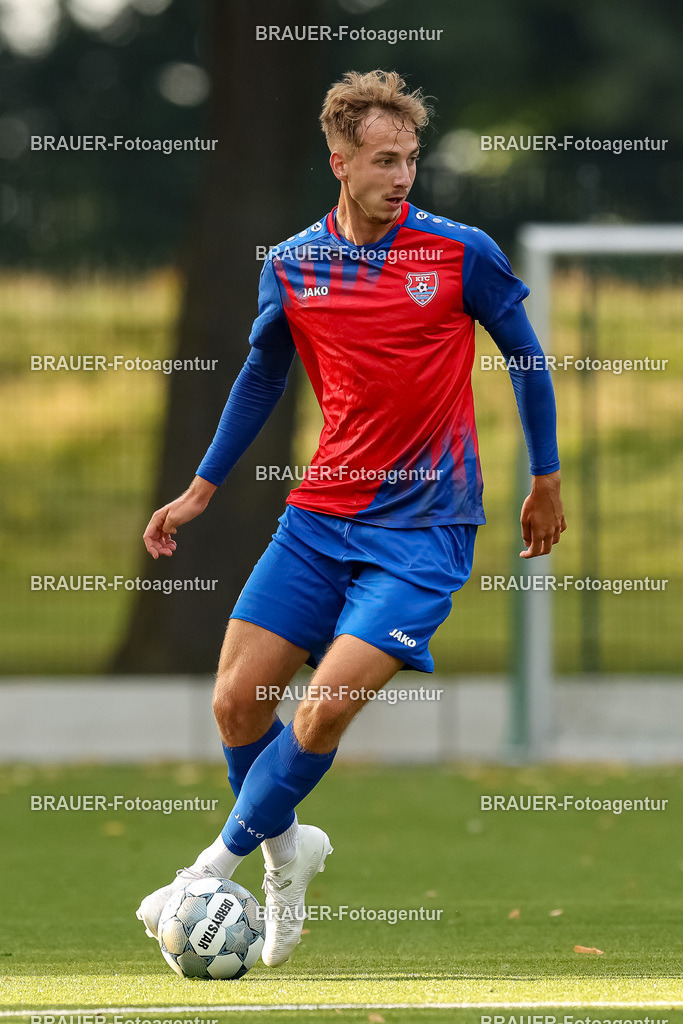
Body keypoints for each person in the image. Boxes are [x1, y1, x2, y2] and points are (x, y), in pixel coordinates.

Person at [136, 69, 566, 967]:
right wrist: (204, 486)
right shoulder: (293, 263)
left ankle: (207, 869)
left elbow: (526, 361)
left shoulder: (459, 254)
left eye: (409, 158)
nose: (401, 176)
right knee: (235, 702)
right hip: (319, 519)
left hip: (426, 532)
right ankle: (290, 853)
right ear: (339, 161)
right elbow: (261, 375)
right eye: (382, 160)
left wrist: (545, 478)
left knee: (324, 710)